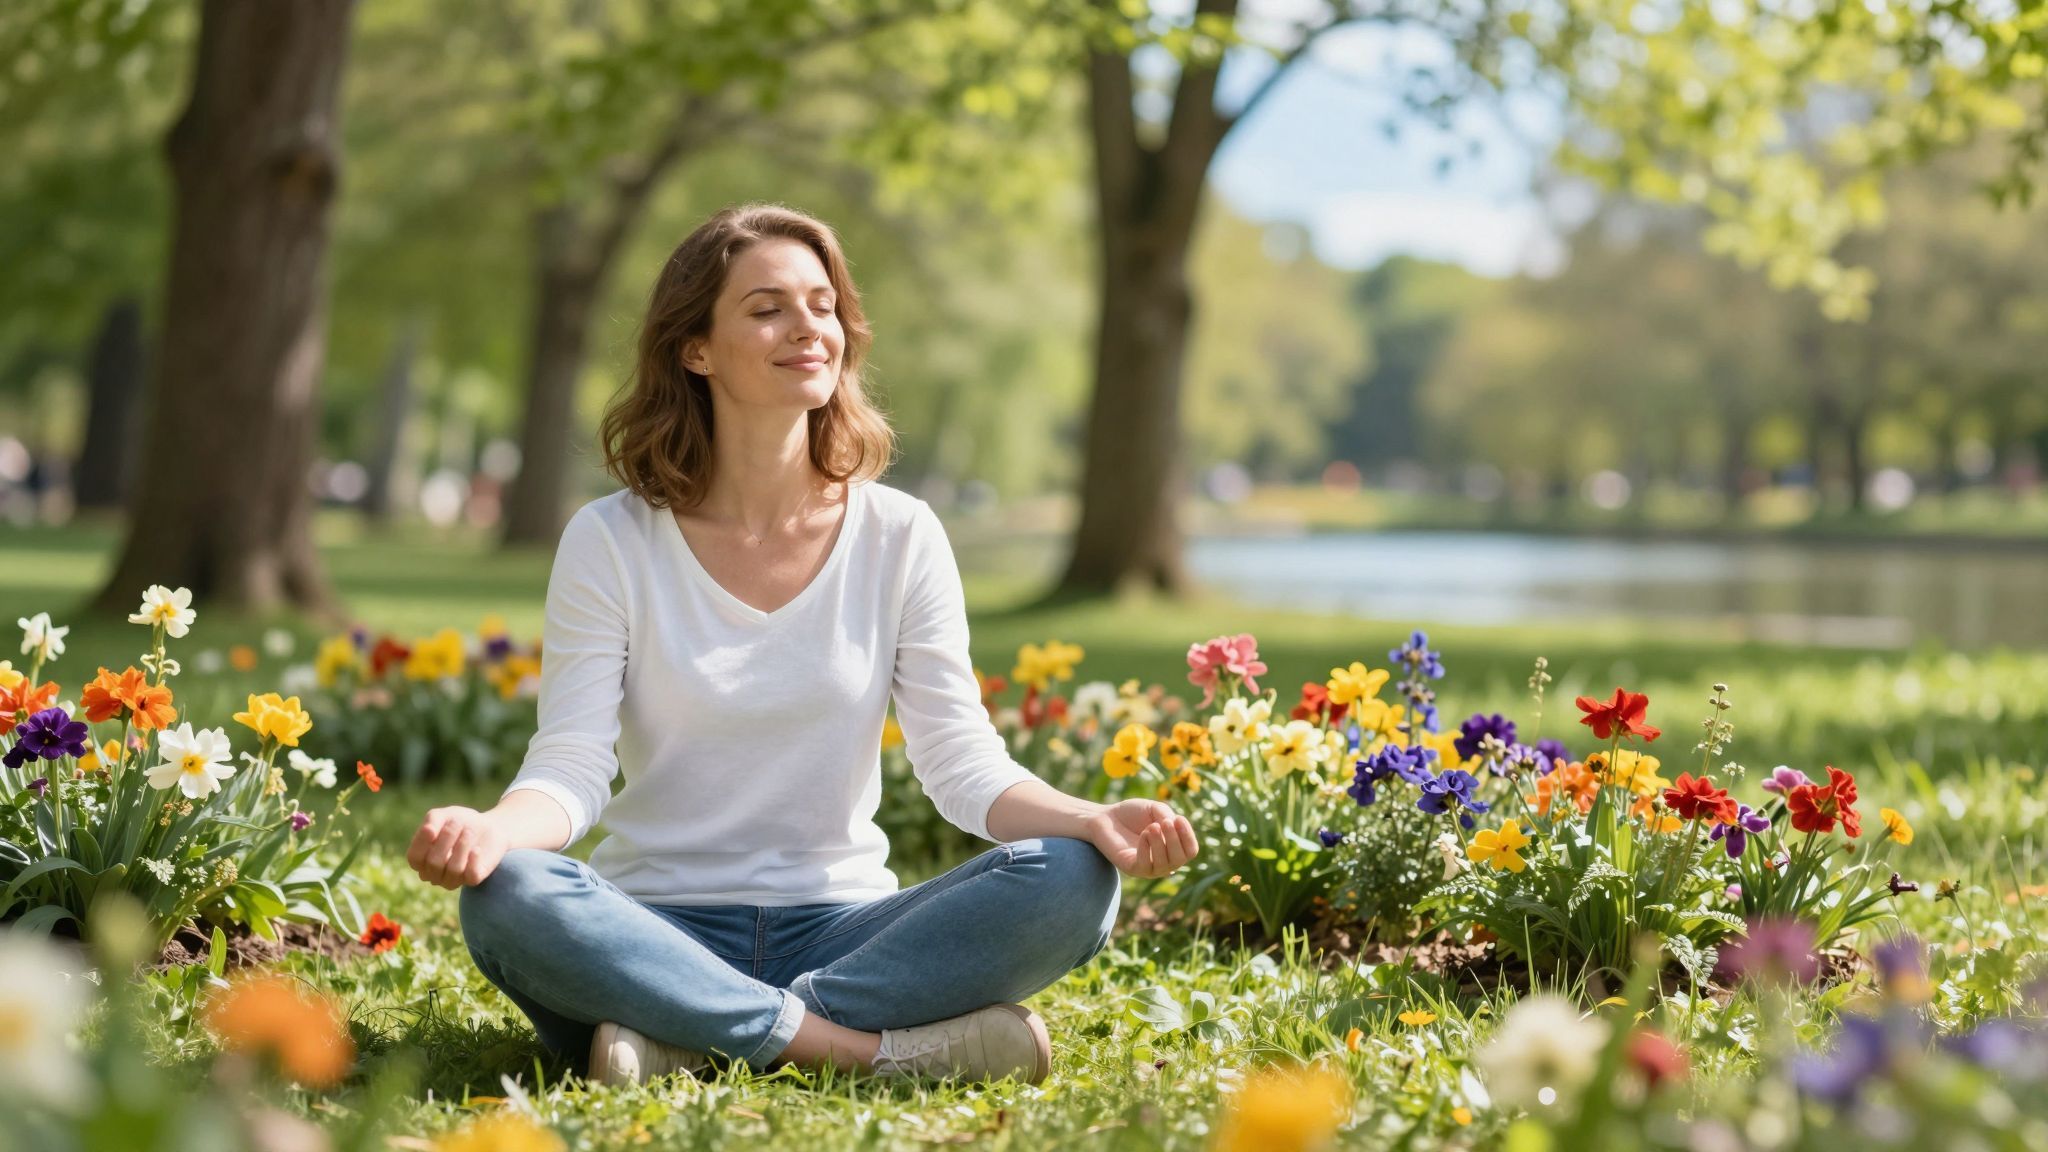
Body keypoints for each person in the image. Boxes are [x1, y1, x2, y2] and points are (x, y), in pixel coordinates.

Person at [405, 203, 1200, 1087]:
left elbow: (961, 764)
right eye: (767, 308)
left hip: (846, 928)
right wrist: (493, 829)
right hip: (655, 926)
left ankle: (683, 1033)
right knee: (510, 891)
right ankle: (857, 1053)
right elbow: (573, 765)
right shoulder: (612, 540)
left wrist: (1087, 820)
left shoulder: (901, 535)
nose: (808, 328)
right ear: (695, 350)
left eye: (823, 306)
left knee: (1073, 877)